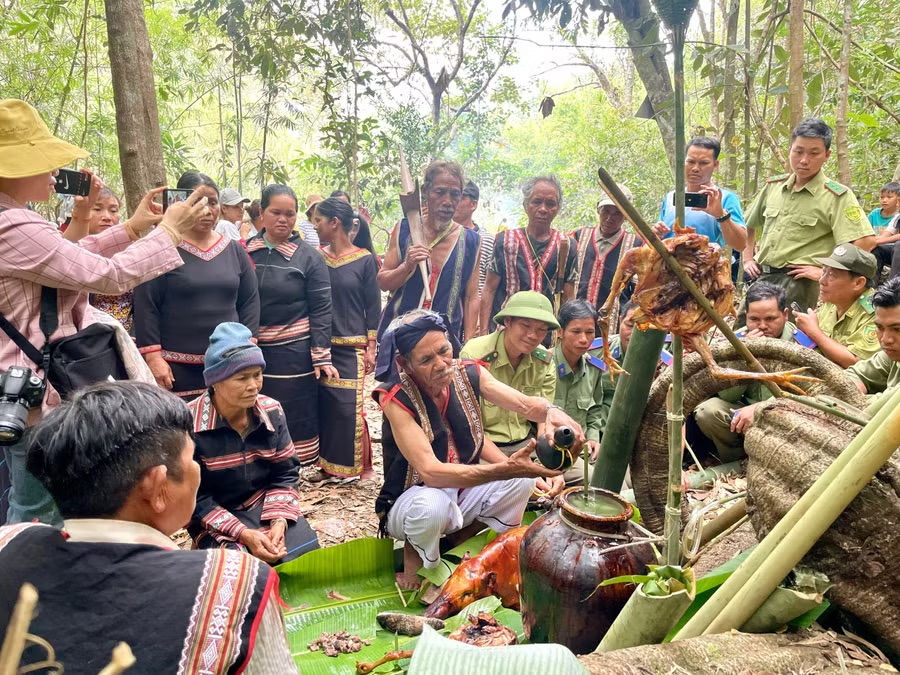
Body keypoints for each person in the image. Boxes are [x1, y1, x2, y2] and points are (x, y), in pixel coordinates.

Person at [0, 98, 207, 526]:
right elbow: (109, 276)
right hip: (39, 389)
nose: (55, 172)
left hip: (28, 387)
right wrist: (169, 230)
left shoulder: (16, 221)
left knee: (38, 495)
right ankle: (26, 583)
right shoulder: (14, 225)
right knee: (38, 507)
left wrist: (130, 228)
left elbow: (67, 261)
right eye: (43, 161)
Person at [0, 381, 295, 671]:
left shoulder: (9, 541)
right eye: (191, 458)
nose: (196, 468)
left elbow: (286, 472)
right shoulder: (233, 583)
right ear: (156, 487)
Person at [373, 309, 578, 586]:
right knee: (431, 506)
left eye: (444, 351)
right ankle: (422, 563)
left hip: (459, 494)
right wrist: (501, 470)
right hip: (413, 499)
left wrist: (553, 412)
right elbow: (432, 473)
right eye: (426, 359)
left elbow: (524, 404)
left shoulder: (468, 372)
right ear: (404, 363)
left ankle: (461, 539)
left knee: (520, 480)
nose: (441, 364)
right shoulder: (396, 397)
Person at [187, 323, 319, 563]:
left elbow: (286, 473)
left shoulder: (272, 411)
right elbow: (194, 496)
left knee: (304, 554)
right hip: (215, 516)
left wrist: (278, 521)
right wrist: (244, 534)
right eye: (241, 378)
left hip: (264, 505)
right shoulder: (190, 425)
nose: (253, 386)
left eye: (257, 375)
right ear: (215, 381)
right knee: (239, 568)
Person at [134, 171, 260, 400]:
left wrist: (247, 348)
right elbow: (146, 305)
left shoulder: (234, 250)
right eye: (197, 202)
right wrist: (153, 357)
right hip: (175, 368)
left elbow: (250, 302)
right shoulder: (161, 248)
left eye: (212, 202)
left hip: (228, 365)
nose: (206, 210)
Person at [742, 118, 875, 316]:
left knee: (786, 341)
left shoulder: (836, 196)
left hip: (799, 283)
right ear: (790, 150)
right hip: (762, 276)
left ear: (827, 155)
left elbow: (865, 240)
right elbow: (748, 224)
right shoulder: (774, 186)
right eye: (798, 151)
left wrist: (826, 272)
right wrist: (747, 259)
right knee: (741, 336)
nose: (804, 160)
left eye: (814, 153)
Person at [248, 184, 335, 470]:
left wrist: (320, 354)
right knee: (254, 405)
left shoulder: (309, 257)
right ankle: (260, 462)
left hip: (294, 352)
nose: (283, 219)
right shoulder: (244, 252)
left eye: (290, 214)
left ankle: (292, 467)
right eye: (275, 212)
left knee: (294, 407)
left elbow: (322, 307)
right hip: (254, 350)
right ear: (261, 212)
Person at [693, 282, 815, 461]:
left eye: (771, 319)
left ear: (785, 315)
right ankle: (737, 460)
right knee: (708, 411)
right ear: (746, 316)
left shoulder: (803, 344)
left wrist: (761, 408)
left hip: (787, 415)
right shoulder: (736, 341)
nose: (763, 326)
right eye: (754, 319)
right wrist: (744, 358)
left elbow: (809, 395)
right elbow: (726, 396)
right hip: (743, 417)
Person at [312, 197, 381, 480]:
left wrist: (372, 346)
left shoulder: (365, 259)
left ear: (334, 223)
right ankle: (327, 466)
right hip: (321, 345)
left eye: (318, 220)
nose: (315, 226)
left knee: (348, 407)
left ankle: (355, 467)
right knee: (325, 406)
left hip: (352, 346)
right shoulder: (316, 257)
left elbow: (373, 306)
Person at [377, 160, 481, 343]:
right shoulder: (403, 230)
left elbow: (471, 297)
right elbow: (383, 282)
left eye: (455, 194)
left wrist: (470, 344)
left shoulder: (472, 241)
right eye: (440, 192)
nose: (448, 202)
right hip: (398, 340)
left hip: (444, 344)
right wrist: (406, 266)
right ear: (425, 192)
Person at [461, 292, 557, 454]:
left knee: (586, 475)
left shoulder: (544, 361)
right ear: (507, 321)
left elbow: (544, 421)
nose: (533, 335)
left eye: (541, 330)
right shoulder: (474, 354)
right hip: (484, 447)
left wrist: (547, 461)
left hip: (528, 443)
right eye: (525, 326)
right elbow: (470, 427)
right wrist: (510, 468)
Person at [481, 175, 577, 338]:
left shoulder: (566, 245)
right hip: (506, 331)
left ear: (558, 208)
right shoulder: (505, 241)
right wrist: (483, 334)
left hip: (546, 335)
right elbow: (489, 289)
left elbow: (568, 296)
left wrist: (565, 334)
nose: (543, 209)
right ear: (525, 205)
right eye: (536, 201)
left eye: (550, 203)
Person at [651, 137, 747, 250]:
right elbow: (658, 238)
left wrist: (720, 215)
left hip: (704, 265)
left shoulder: (723, 198)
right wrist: (656, 232)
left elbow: (740, 245)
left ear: (715, 165)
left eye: (703, 163)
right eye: (691, 162)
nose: (695, 168)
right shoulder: (671, 197)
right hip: (667, 266)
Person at [794, 244, 880, 367]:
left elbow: (857, 363)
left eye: (832, 275)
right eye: (824, 272)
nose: (822, 281)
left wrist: (814, 332)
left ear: (858, 283)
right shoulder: (834, 300)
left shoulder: (876, 312)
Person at [552, 300, 608, 477]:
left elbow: (595, 409)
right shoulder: (544, 365)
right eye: (576, 331)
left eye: (589, 332)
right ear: (560, 332)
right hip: (552, 449)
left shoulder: (594, 368)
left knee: (622, 476)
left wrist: (593, 437)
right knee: (597, 482)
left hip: (584, 448)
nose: (584, 339)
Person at [572, 185, 638, 331]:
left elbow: (639, 291)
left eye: (617, 213)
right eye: (606, 211)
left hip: (613, 326)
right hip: (575, 324)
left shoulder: (636, 246)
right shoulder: (578, 237)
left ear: (626, 216)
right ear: (598, 209)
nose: (609, 218)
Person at [79, 187, 136, 333]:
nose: (107, 217)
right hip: (85, 338)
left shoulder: (131, 251)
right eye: (97, 209)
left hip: (127, 340)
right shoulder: (70, 247)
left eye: (113, 210)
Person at [848, 276, 900, 398]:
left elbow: (884, 408)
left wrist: (850, 397)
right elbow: (854, 374)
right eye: (880, 327)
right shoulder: (893, 354)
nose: (885, 339)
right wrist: (849, 390)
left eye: (897, 329)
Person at [454, 180, 494, 296]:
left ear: (473, 204)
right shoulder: (441, 235)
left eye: (460, 197)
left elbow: (487, 284)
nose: (454, 201)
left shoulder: (486, 240)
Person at [331, 189, 378, 259]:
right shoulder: (327, 224)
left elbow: (366, 246)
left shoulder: (358, 221)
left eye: (344, 204)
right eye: (338, 204)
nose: (341, 208)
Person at [871, 182, 900, 279]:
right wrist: (872, 242)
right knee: (878, 249)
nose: (898, 205)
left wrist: (876, 241)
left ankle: (892, 286)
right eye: (898, 202)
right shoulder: (897, 218)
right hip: (893, 254)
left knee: (898, 245)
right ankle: (871, 286)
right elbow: (885, 235)